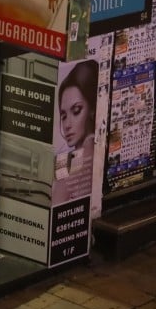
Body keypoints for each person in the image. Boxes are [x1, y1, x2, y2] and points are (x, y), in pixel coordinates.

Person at [52, 60, 98, 204]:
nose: (67, 125)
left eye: (76, 111)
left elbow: (55, 203)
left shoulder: (76, 158)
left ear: (92, 109)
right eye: (64, 116)